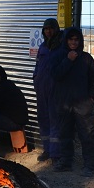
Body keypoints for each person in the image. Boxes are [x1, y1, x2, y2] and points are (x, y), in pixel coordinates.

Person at [51, 26, 94, 175]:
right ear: (66, 40)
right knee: (64, 134)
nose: (74, 42)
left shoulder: (86, 58)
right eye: (71, 39)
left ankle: (90, 165)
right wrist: (68, 60)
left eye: (76, 39)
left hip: (83, 103)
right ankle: (66, 161)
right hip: (64, 104)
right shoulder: (58, 56)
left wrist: (92, 97)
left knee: (87, 135)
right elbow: (55, 75)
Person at [33, 18, 63, 162]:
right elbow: (37, 66)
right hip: (42, 89)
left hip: (56, 90)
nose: (48, 31)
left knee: (55, 121)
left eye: (51, 28)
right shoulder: (43, 47)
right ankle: (47, 149)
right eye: (46, 29)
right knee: (43, 119)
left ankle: (55, 154)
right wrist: (35, 79)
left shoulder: (62, 47)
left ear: (56, 29)